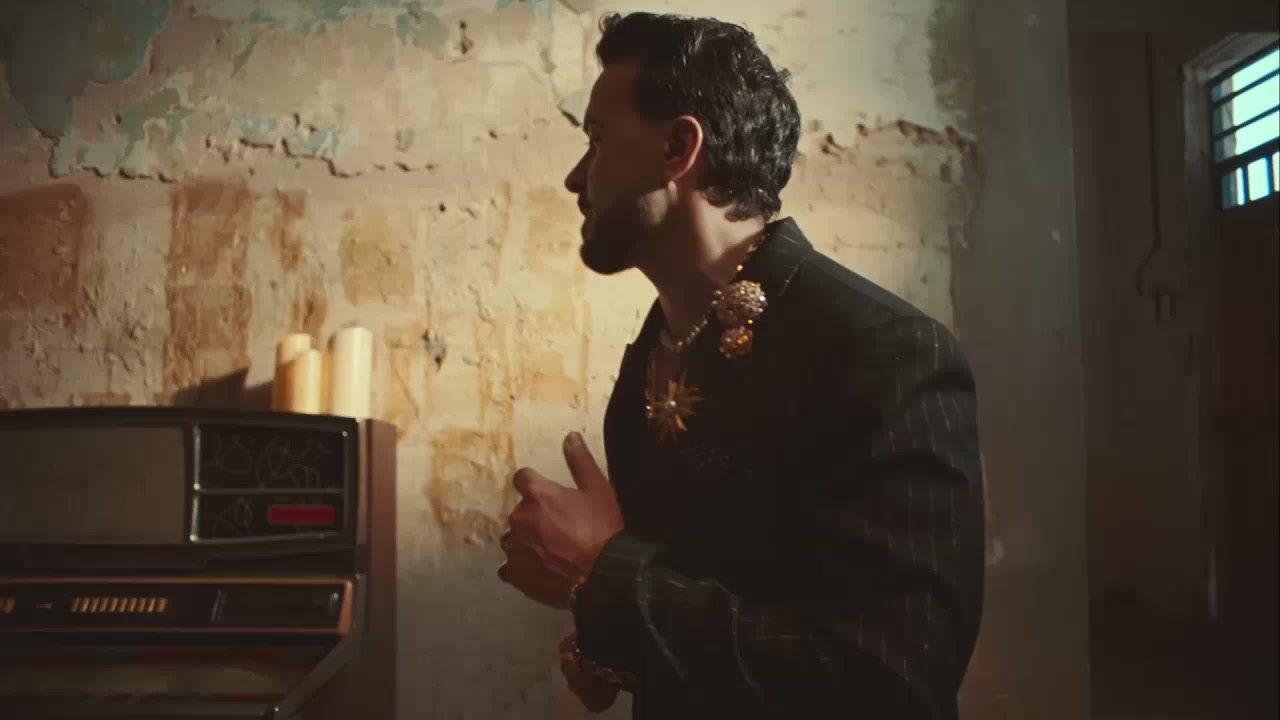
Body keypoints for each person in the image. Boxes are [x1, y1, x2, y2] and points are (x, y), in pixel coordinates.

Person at [497, 11, 984, 719]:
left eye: (597, 139)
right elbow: (713, 595)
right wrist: (611, 644)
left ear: (677, 148)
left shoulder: (888, 353)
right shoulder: (656, 353)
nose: (576, 176)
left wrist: (600, 573)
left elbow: (891, 680)